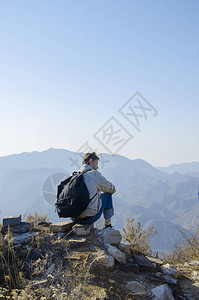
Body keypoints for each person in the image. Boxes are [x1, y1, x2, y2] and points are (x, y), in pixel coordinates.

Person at [72, 152, 116, 228]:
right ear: (91, 161)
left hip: (73, 217)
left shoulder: (74, 175)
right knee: (107, 195)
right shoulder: (94, 174)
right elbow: (112, 189)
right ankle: (108, 225)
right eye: (96, 163)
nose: (97, 167)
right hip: (89, 218)